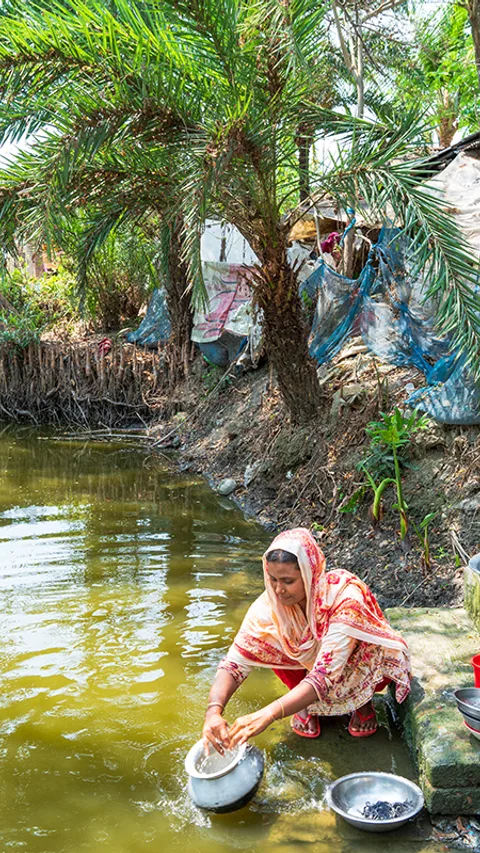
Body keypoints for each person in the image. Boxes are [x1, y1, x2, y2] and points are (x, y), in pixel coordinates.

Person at [203, 527, 411, 753]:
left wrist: (269, 714)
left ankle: (361, 701)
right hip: (316, 668)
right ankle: (303, 704)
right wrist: (213, 711)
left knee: (359, 648)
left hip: (351, 663)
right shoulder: (270, 606)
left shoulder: (344, 599)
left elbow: (324, 675)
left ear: (309, 574)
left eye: (288, 581)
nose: (279, 590)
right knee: (269, 642)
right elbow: (234, 663)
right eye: (272, 579)